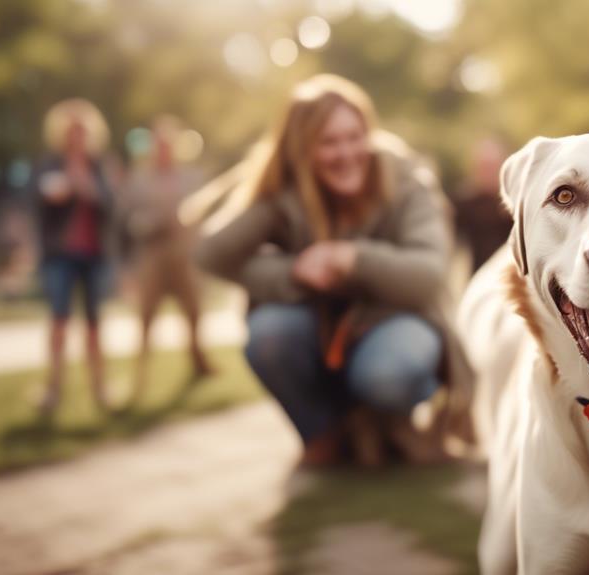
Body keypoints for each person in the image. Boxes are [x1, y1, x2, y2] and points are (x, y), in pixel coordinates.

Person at [194, 74, 473, 467]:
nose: (346, 153)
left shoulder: (404, 177)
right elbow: (209, 253)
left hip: (397, 318)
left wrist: (351, 257)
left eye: (354, 137)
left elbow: (428, 276)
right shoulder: (283, 191)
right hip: (317, 325)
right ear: (301, 149)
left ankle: (391, 425)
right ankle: (322, 433)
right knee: (270, 333)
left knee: (390, 373)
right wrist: (293, 273)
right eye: (329, 142)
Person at [32, 99, 115, 415]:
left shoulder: (98, 165)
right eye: (72, 130)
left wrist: (89, 188)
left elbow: (110, 204)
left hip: (93, 255)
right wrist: (62, 190)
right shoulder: (50, 163)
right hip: (60, 255)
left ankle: (100, 388)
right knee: (59, 321)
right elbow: (38, 201)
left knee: (94, 324)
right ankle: (53, 390)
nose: (77, 136)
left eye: (82, 130)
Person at [122, 116, 211, 399]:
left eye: (168, 144)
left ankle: (198, 361)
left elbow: (205, 213)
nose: (163, 150)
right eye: (159, 145)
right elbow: (127, 220)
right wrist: (148, 223)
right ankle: (139, 375)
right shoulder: (139, 179)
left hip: (185, 253)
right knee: (146, 316)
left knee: (194, 312)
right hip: (153, 254)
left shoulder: (192, 177)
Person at [454, 137, 512, 272]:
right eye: (483, 167)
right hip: (478, 277)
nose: (487, 173)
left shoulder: (515, 204)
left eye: (492, 167)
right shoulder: (465, 203)